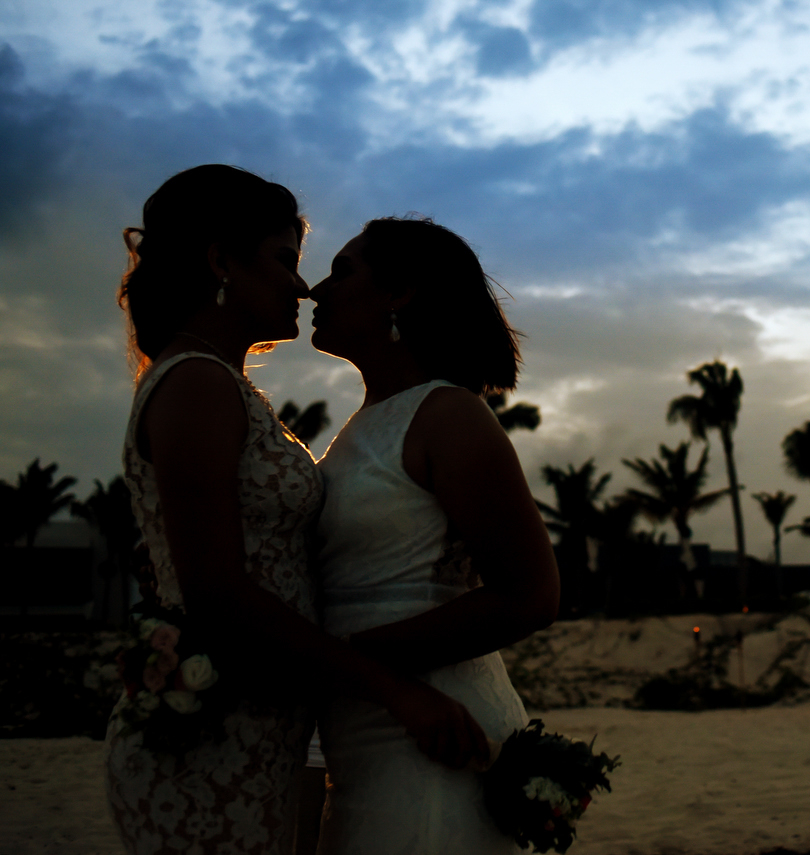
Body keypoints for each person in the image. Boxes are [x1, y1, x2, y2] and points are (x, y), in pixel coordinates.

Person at [107, 167, 482, 855]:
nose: (302, 286)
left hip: (257, 724)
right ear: (221, 261)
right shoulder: (196, 382)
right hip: (214, 733)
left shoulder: (219, 385)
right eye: (286, 260)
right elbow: (218, 592)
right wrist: (394, 688)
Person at [308, 217, 560, 853]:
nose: (315, 289)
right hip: (362, 724)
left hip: (434, 725)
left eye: (341, 271)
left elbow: (529, 594)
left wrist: (351, 661)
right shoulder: (364, 425)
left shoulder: (448, 414)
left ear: (400, 293)